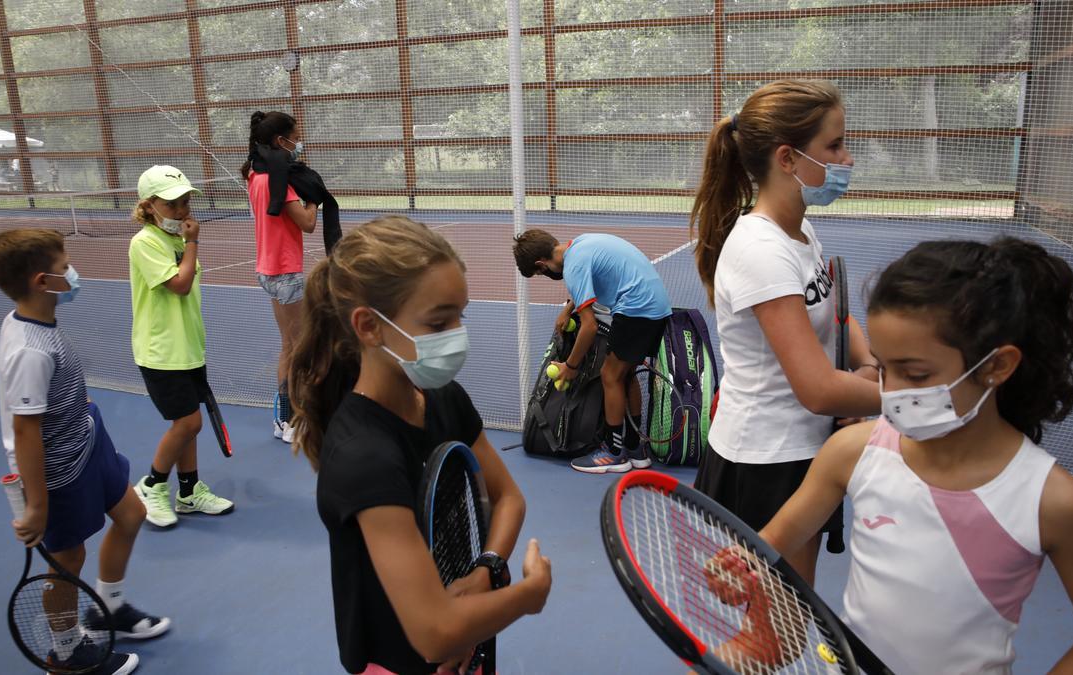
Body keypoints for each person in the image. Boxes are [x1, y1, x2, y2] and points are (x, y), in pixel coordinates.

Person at [758, 238, 1073, 674]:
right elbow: (772, 544)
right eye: (884, 369)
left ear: (996, 367)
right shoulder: (851, 452)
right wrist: (743, 567)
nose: (891, 391)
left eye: (916, 373)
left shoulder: (1053, 502)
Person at [289, 216, 552, 674]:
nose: (457, 336)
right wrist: (526, 596)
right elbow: (434, 632)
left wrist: (485, 571)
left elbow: (508, 496)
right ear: (369, 327)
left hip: (466, 642)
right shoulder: (363, 456)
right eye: (438, 322)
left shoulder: (444, 398)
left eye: (459, 316)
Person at [689, 79, 881, 584]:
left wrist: (866, 370)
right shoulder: (761, 250)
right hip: (766, 462)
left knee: (781, 635)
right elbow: (818, 389)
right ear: (788, 159)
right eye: (834, 145)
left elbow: (834, 314)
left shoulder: (800, 230)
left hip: (802, 450)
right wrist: (926, 401)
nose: (848, 158)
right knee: (776, 640)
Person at [0, 229, 170, 675]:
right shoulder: (29, 350)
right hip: (57, 471)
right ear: (42, 281)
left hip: (86, 438)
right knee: (68, 559)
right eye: (65, 266)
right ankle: (64, 652)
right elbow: (26, 432)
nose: (73, 273)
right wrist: (37, 505)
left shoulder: (36, 322)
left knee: (131, 514)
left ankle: (107, 606)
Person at [512, 229, 672, 474]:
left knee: (610, 375)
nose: (544, 275)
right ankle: (634, 449)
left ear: (540, 264)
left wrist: (571, 367)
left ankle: (613, 452)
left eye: (539, 273)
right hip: (656, 307)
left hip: (636, 309)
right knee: (625, 375)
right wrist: (568, 309)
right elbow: (586, 286)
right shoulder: (580, 245)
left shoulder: (572, 267)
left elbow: (589, 326)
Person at [129, 166, 234, 528]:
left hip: (188, 347)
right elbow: (180, 285)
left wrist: (185, 242)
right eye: (172, 204)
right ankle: (152, 485)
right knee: (188, 422)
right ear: (149, 205)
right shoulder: (146, 242)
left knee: (188, 423)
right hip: (160, 351)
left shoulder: (174, 240)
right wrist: (192, 242)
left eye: (185, 202)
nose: (182, 210)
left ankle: (188, 492)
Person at [240, 110, 328, 444]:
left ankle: (284, 420)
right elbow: (306, 222)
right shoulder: (277, 180)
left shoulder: (255, 174)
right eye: (295, 136)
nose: (299, 143)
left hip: (267, 269)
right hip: (285, 272)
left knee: (289, 346)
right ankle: (296, 420)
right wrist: (314, 197)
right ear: (281, 141)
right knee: (302, 349)